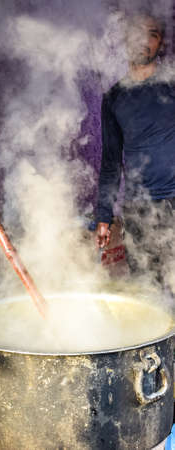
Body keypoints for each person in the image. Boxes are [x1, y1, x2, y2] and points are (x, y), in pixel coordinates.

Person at [95, 10, 175, 293]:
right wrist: (103, 216)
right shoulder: (114, 97)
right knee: (148, 293)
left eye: (152, 34)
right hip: (139, 209)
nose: (144, 40)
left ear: (161, 42)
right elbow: (111, 162)